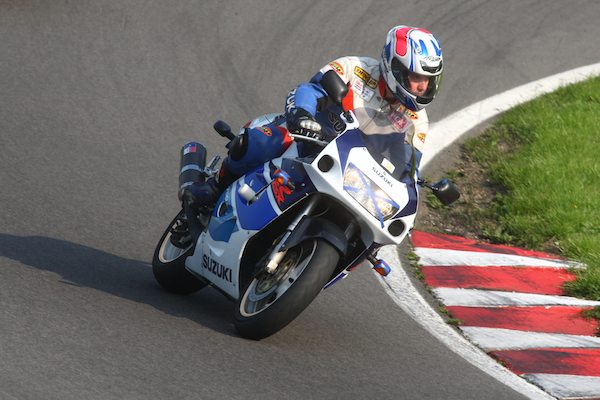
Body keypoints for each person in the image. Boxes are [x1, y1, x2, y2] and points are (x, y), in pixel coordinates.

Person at [183, 25, 444, 210]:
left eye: (429, 79)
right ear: (395, 67)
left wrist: (409, 190)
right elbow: (312, 89)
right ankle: (214, 188)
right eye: (417, 77)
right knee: (260, 143)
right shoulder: (357, 68)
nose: (423, 86)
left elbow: (408, 165)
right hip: (309, 139)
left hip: (352, 174)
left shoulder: (418, 121)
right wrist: (302, 114)